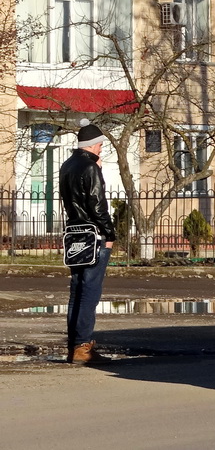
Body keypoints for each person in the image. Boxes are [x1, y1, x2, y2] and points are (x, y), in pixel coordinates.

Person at [59, 118, 116, 364]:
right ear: (92, 145)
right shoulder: (90, 168)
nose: (101, 149)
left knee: (77, 290)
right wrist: (110, 234)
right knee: (90, 292)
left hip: (74, 234)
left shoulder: (67, 165)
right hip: (93, 235)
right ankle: (83, 347)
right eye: (100, 145)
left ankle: (75, 346)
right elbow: (97, 205)